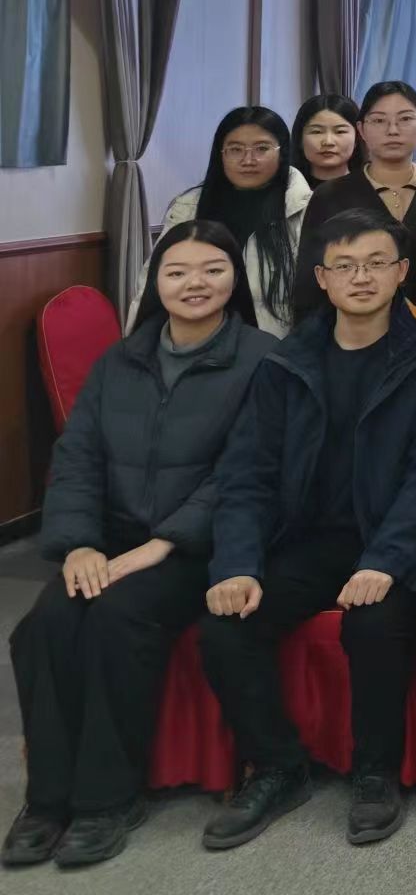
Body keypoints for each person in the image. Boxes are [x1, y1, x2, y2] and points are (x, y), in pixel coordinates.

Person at [196, 210, 416, 851]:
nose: (361, 277)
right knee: (225, 625)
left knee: (374, 623)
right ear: (322, 278)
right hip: (309, 539)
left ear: (402, 273)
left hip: (394, 541)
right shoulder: (287, 361)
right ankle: (278, 767)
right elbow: (246, 475)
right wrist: (236, 564)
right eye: (344, 266)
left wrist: (385, 560)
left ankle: (376, 773)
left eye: (376, 264)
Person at [5, 224, 271, 869]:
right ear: (155, 282)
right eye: (177, 272)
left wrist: (165, 542)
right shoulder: (121, 359)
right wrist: (78, 545)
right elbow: (77, 458)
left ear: (235, 279)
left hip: (202, 547)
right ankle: (46, 800)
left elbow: (247, 472)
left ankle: (107, 800)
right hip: (112, 542)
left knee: (119, 618)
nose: (195, 284)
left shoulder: (262, 359)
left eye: (213, 269)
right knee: (45, 623)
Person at [294, 81, 416, 323]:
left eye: (405, 119)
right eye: (379, 120)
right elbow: (309, 282)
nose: (392, 130)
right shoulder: (330, 195)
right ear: (361, 129)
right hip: (351, 333)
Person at [151, 105, 312, 338]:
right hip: (196, 340)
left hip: (277, 344)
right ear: (221, 154)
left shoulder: (304, 208)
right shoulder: (188, 207)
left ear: (282, 152)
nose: (248, 160)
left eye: (262, 148)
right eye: (235, 149)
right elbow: (153, 280)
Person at [293, 94, 364, 188]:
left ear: (357, 137)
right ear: (300, 139)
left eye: (340, 131)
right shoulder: (288, 190)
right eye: (317, 132)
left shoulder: (373, 189)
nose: (328, 142)